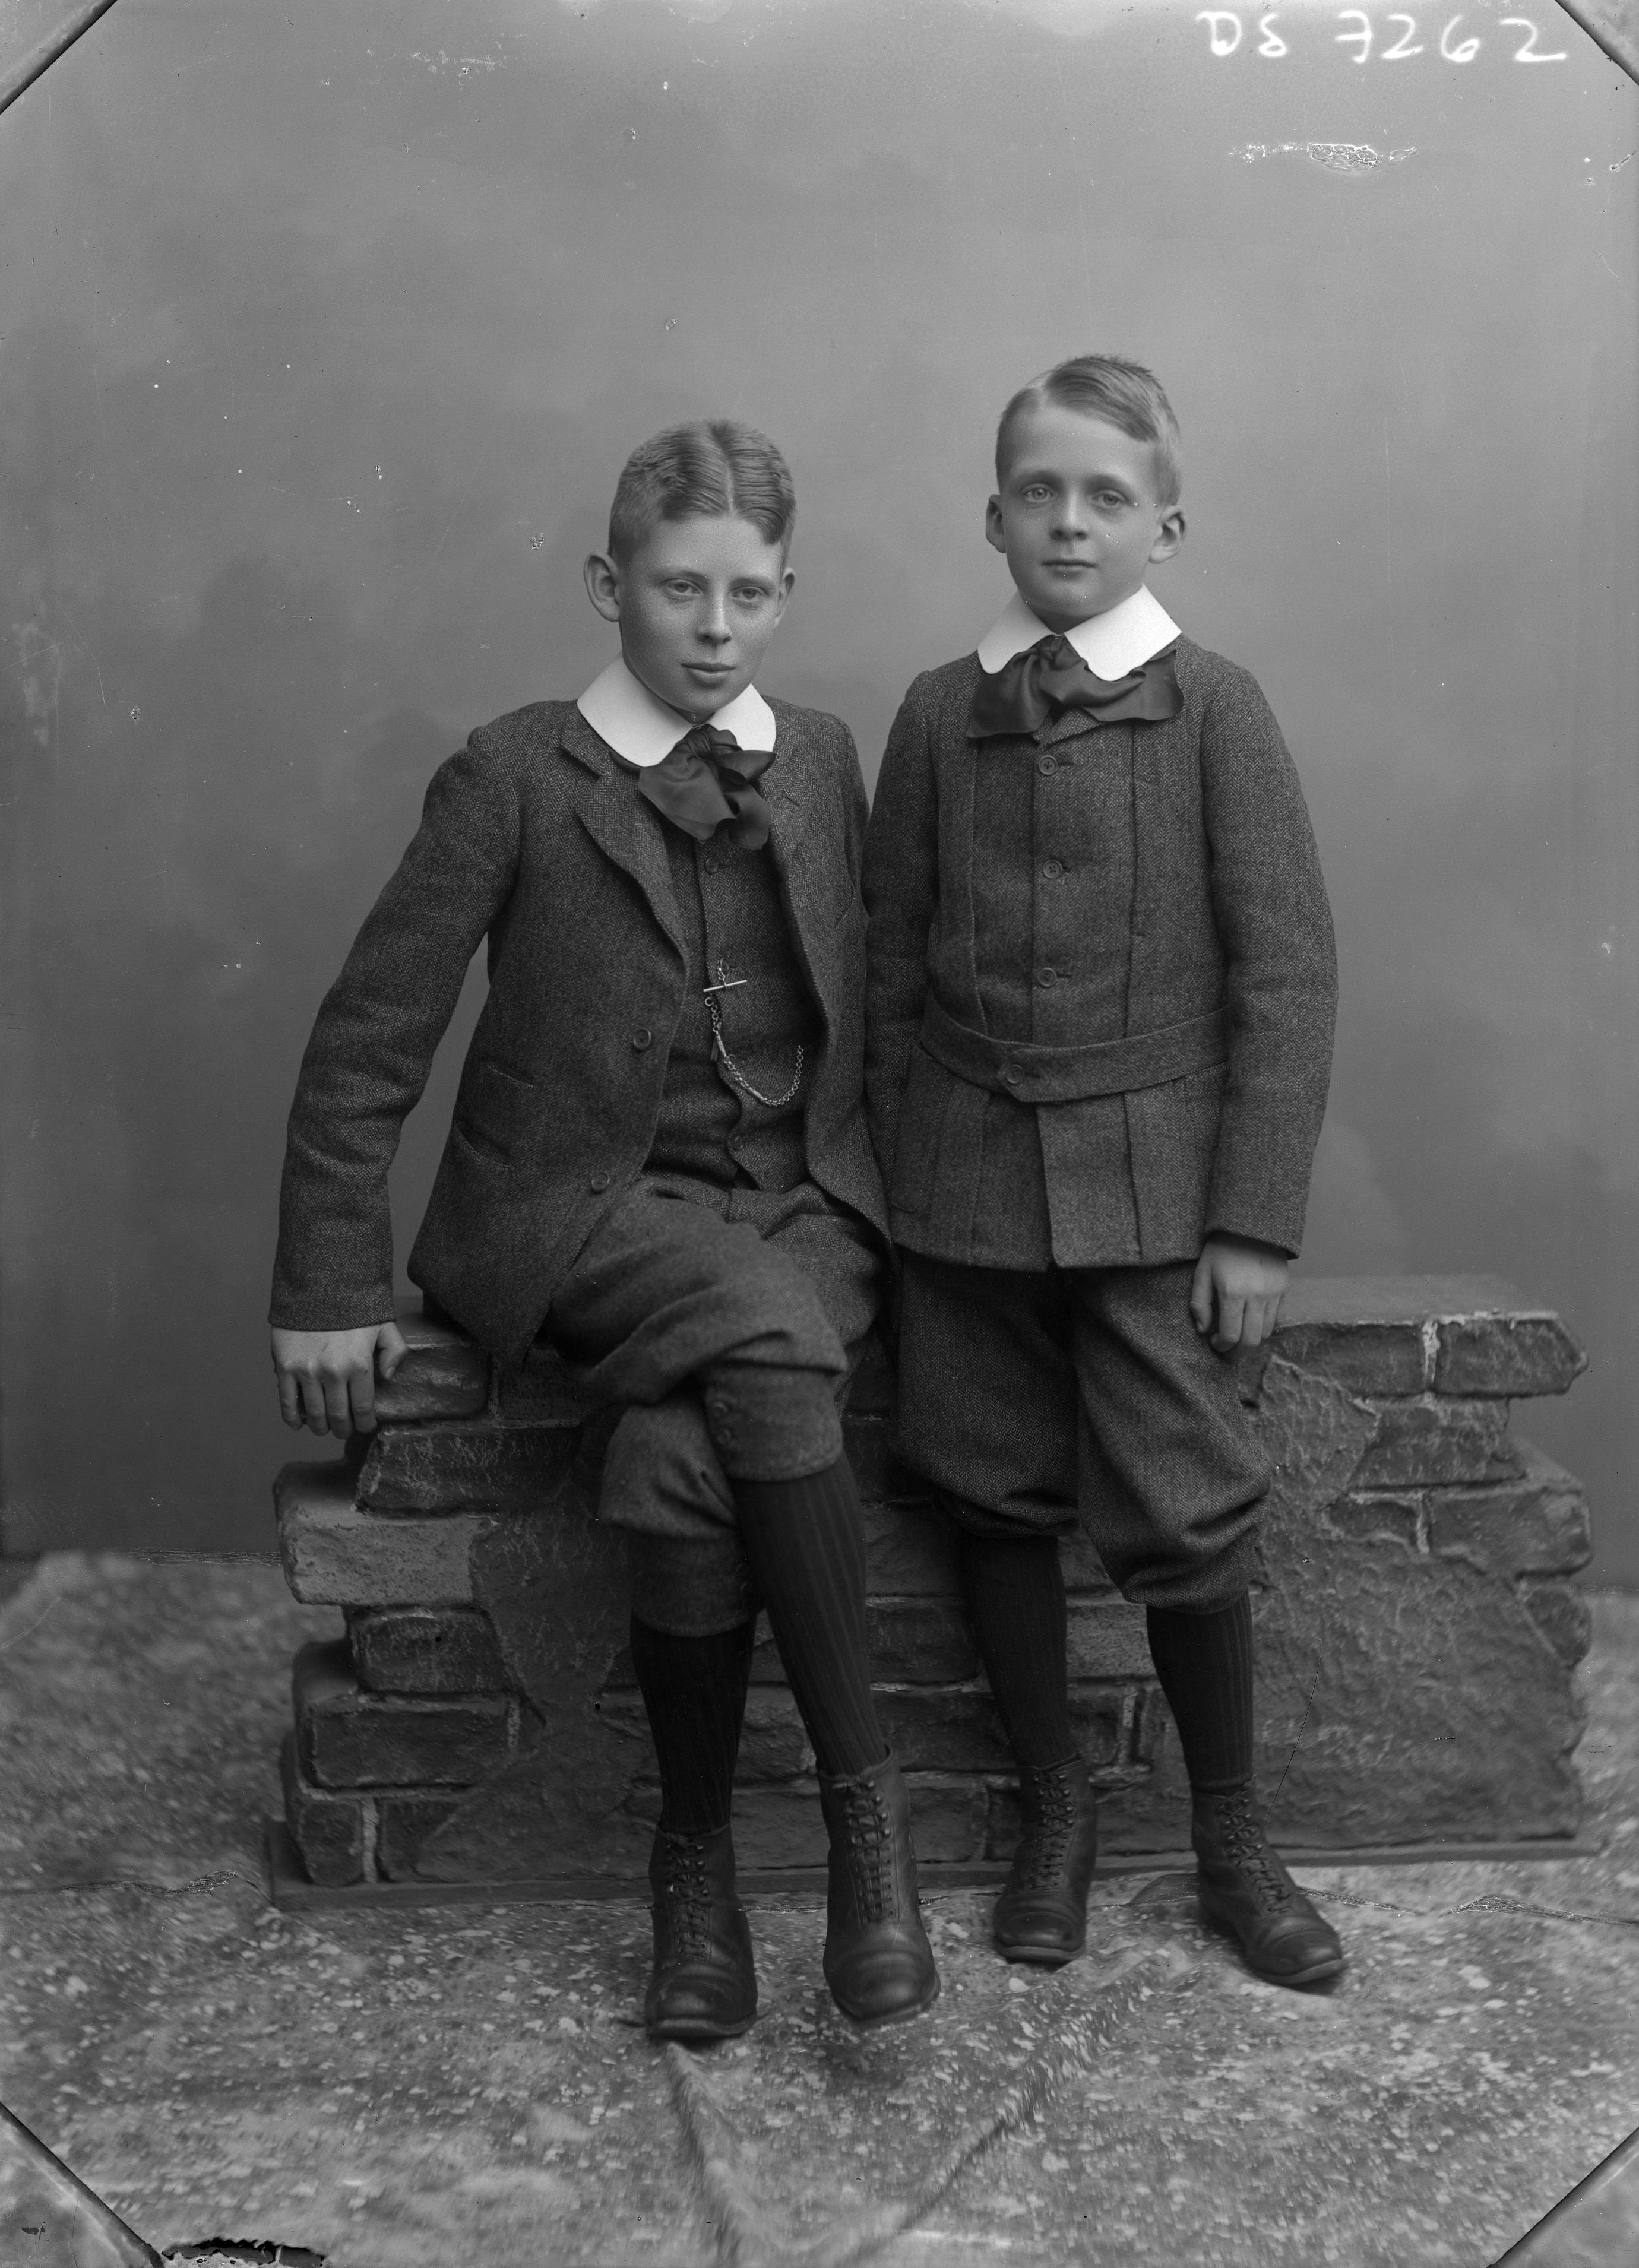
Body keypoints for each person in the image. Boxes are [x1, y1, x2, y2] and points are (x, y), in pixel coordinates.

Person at [270, 420, 938, 2039]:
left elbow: (886, 1005)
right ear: (606, 585)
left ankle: (692, 1866)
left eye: (749, 594)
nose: (714, 626)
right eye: (678, 588)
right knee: (769, 1335)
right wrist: (327, 1280)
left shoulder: (822, 759)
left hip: (798, 1200)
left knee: (687, 1456)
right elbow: (370, 1035)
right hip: (584, 1207)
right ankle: (872, 1831)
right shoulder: (515, 774)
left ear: (787, 597)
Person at [862, 354, 1345, 1988]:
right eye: (1040, 492)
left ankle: (1232, 1839)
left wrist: (1252, 1221)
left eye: (1107, 496)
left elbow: (1287, 972)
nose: (1070, 521)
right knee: (989, 1488)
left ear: (1165, 527)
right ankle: (1054, 1811)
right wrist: (896, 1184)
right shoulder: (938, 712)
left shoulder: (1218, 709)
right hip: (963, 1191)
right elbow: (888, 961)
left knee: (1188, 1512)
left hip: (1156, 1192)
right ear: (994, 514)